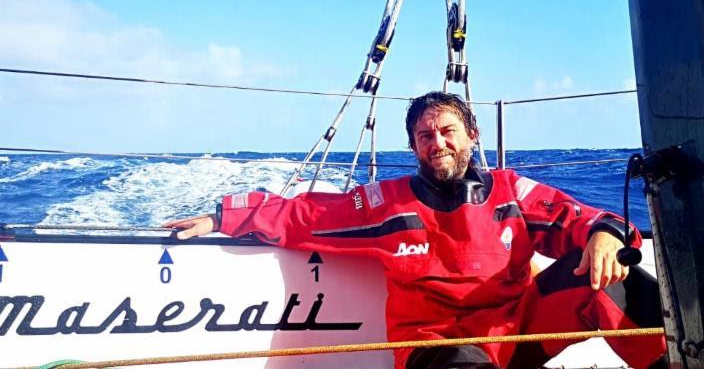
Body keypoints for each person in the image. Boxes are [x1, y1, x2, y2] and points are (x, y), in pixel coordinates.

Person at [165, 91, 667, 368]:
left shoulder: (513, 192)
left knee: (624, 286)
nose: (437, 143)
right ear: (413, 146)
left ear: (472, 135)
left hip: (518, 330)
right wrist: (223, 216)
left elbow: (577, 218)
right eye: (425, 136)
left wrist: (607, 233)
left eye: (448, 131)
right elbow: (306, 215)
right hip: (437, 346)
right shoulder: (385, 204)